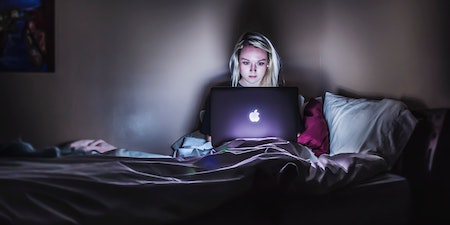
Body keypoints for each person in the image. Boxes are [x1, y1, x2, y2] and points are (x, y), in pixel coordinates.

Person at [200, 31, 304, 142]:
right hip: (233, 153)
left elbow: (295, 135)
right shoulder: (220, 96)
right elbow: (211, 138)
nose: (252, 70)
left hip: (272, 152)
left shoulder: (284, 97)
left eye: (260, 63)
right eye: (246, 62)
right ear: (237, 62)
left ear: (268, 63)